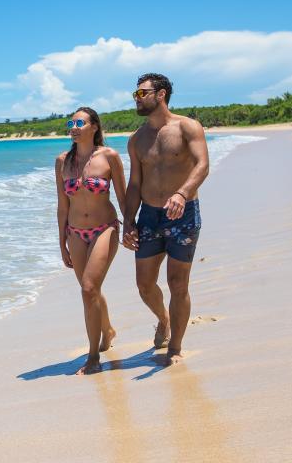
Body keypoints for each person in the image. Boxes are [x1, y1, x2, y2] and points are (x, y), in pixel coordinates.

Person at [121, 73, 210, 366]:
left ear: (161, 95)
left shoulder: (187, 127)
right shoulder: (136, 139)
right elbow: (134, 184)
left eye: (142, 93)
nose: (137, 97)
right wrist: (129, 221)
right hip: (148, 215)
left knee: (177, 283)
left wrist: (182, 194)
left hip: (182, 214)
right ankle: (164, 319)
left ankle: (175, 348)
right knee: (145, 285)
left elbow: (202, 165)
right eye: (136, 93)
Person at [55, 106, 128, 375]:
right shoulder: (62, 161)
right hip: (75, 232)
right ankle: (107, 330)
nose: (73, 127)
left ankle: (94, 356)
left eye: (79, 122)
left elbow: (122, 197)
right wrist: (61, 240)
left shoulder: (109, 156)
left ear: (94, 127)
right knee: (92, 291)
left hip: (104, 229)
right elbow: (62, 205)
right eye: (71, 122)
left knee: (88, 289)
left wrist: (130, 226)